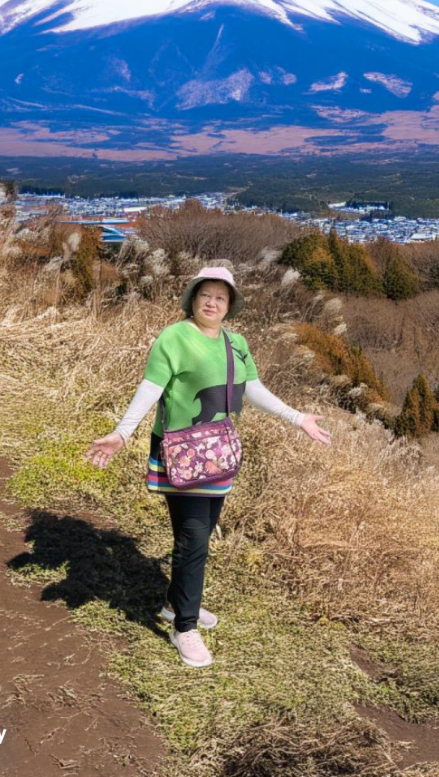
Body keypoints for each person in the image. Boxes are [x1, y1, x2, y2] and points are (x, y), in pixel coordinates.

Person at [86, 265, 332, 668]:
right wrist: (122, 433)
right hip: (182, 453)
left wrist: (296, 417)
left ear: (230, 304)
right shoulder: (175, 337)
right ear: (192, 299)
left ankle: (177, 602)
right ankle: (184, 627)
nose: (212, 302)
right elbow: (152, 386)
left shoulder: (236, 343)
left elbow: (252, 389)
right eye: (206, 295)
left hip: (217, 453)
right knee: (194, 539)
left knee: (198, 535)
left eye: (221, 296)